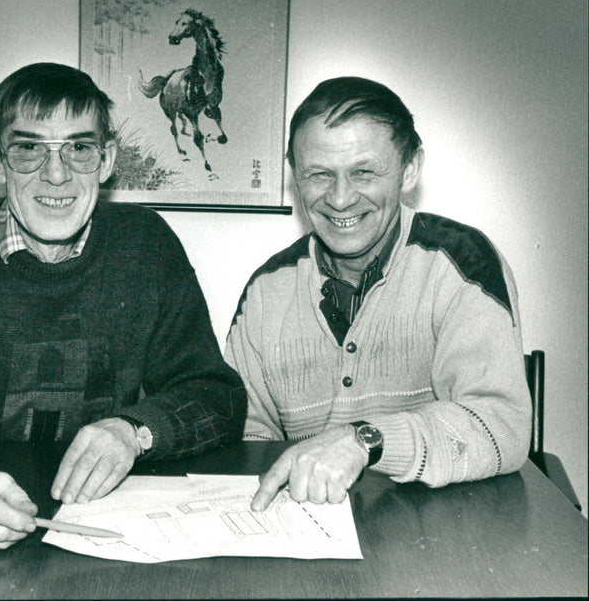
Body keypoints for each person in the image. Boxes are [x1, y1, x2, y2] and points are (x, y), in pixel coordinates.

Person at [0, 62, 246, 550]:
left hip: (103, 543)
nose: (56, 174)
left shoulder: (147, 245)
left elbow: (217, 396)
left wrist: (134, 430)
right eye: (28, 149)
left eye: (79, 148)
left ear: (106, 161)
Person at [224, 76, 531, 511]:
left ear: (409, 170)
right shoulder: (264, 292)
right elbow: (246, 440)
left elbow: (503, 428)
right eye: (319, 175)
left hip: (441, 535)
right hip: (309, 534)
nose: (341, 198)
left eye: (364, 172)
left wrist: (366, 441)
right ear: (295, 176)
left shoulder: (461, 264)